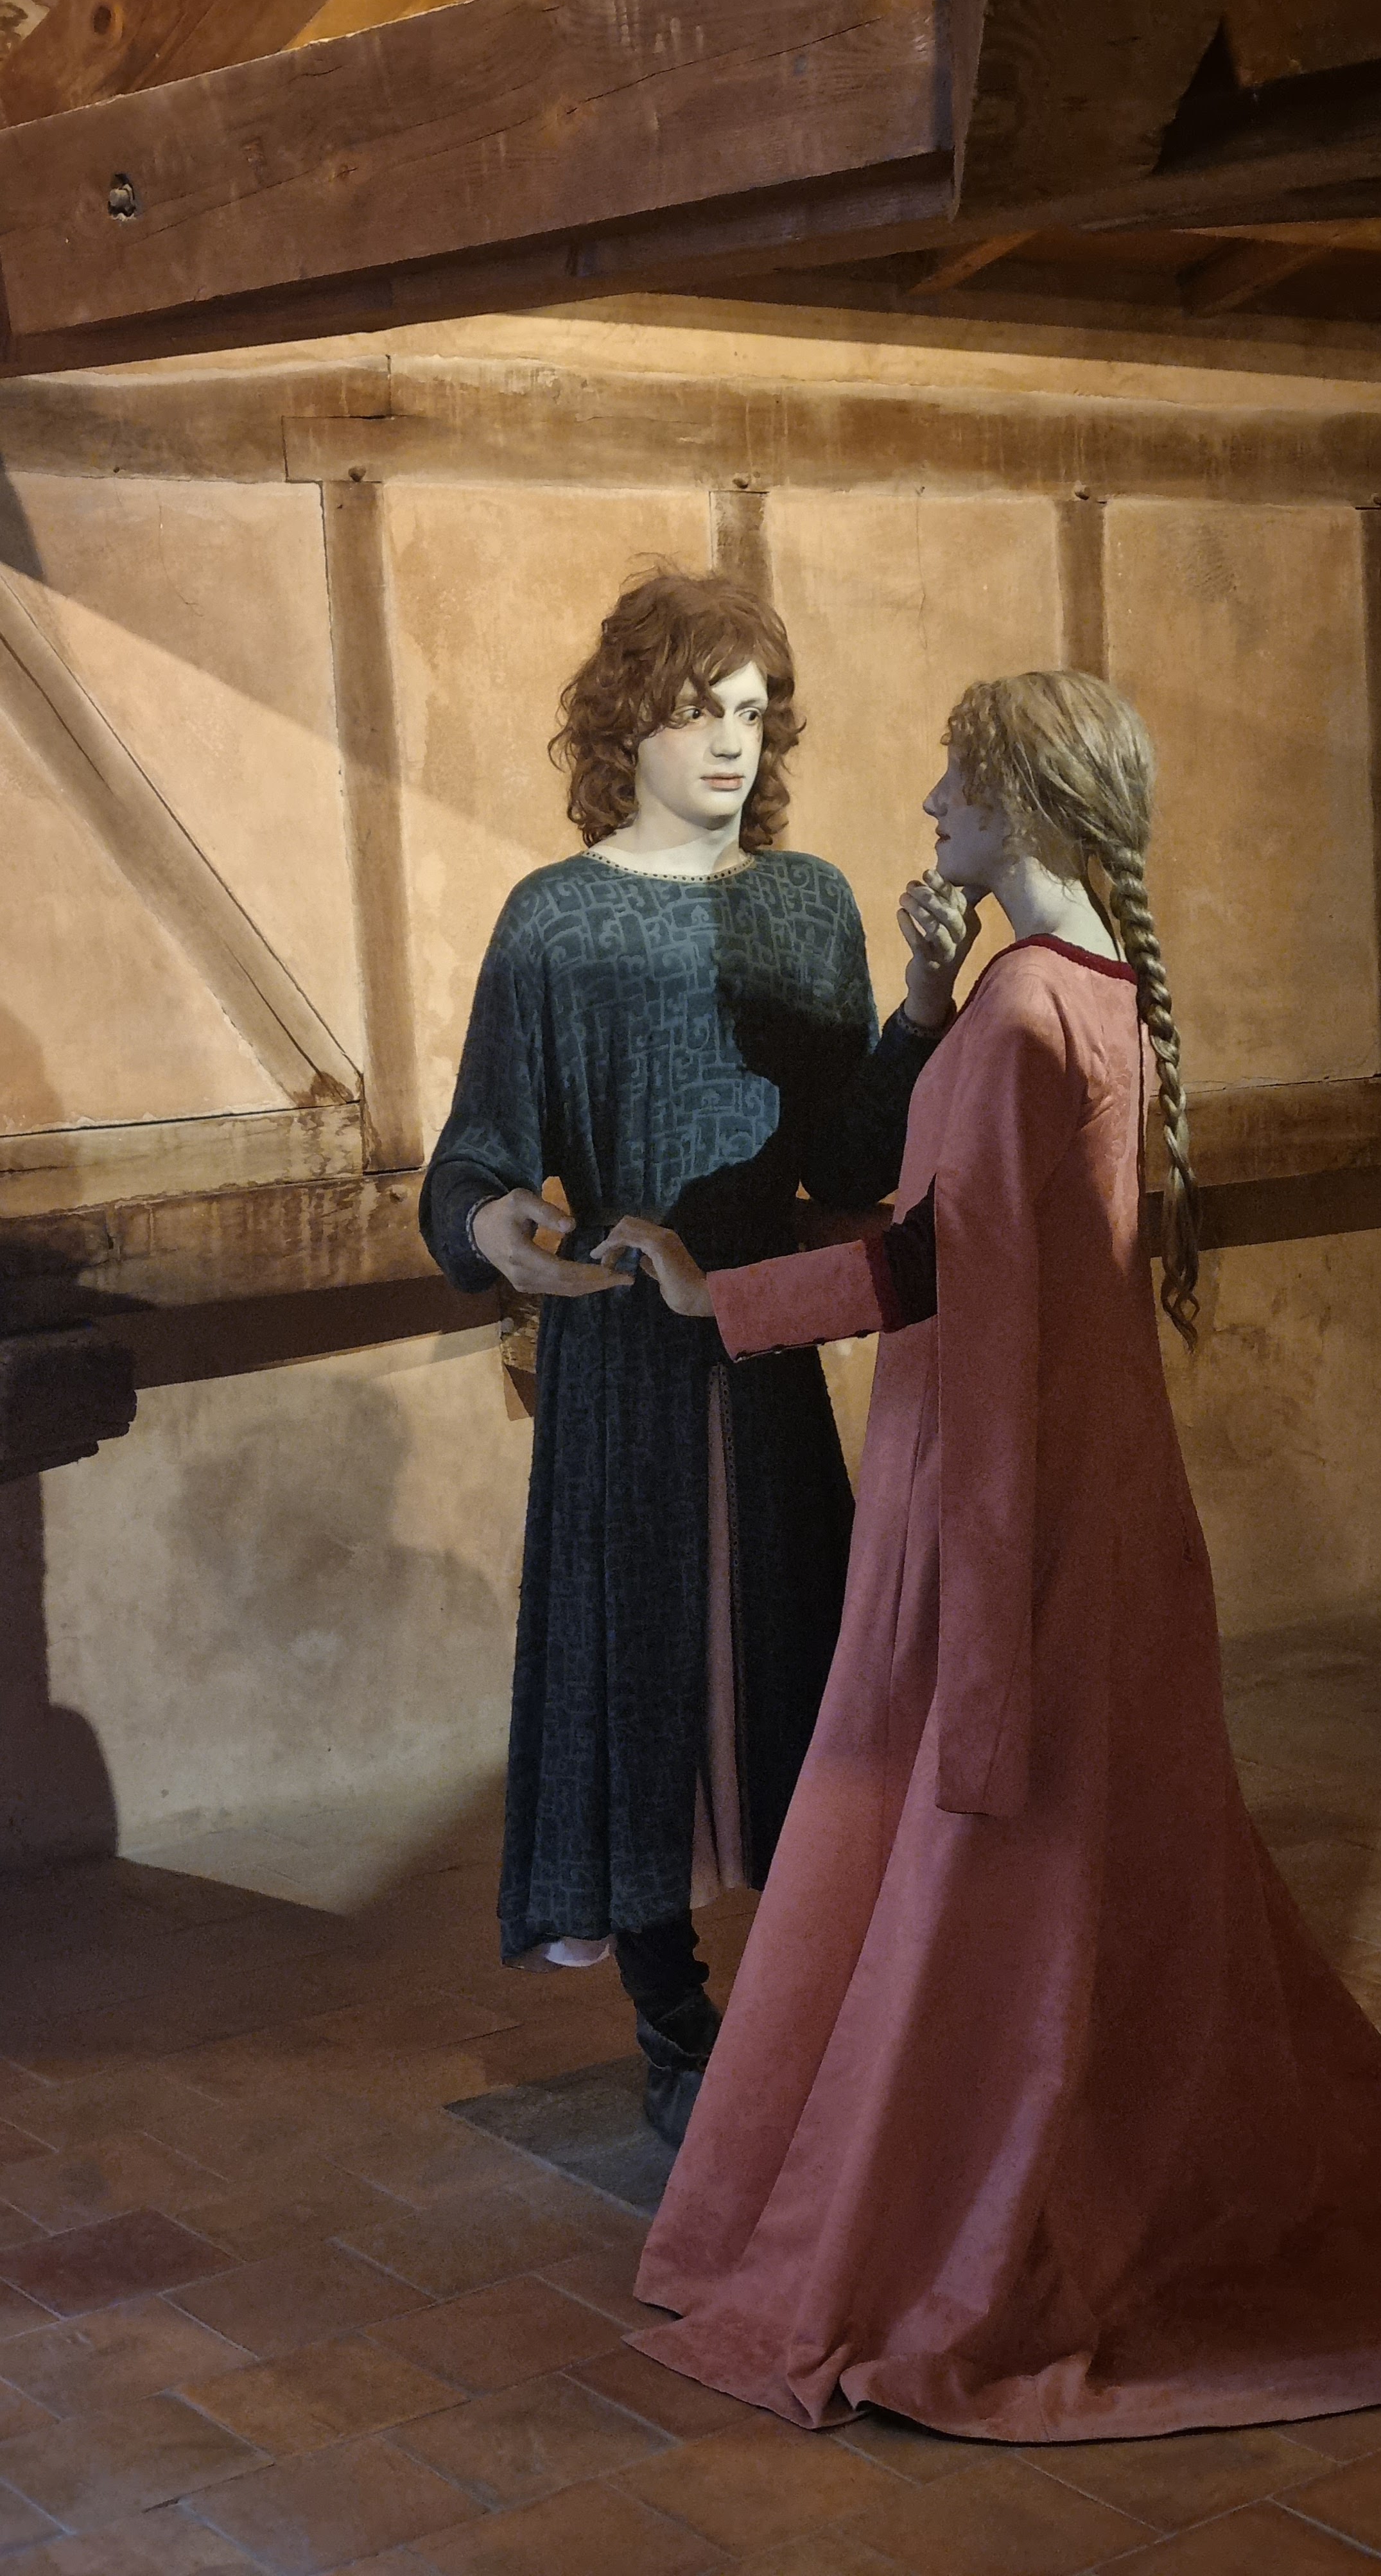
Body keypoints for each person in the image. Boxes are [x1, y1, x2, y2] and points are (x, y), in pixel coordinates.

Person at [600, 669, 1381, 2439]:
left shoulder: (1020, 1020)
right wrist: (923, 1008)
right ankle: (1078, 2175)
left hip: (1000, 1498)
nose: (930, 805)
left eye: (956, 779)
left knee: (983, 1857)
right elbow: (981, 1247)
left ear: (1029, 805)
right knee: (1093, 1863)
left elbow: (942, 1279)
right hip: (1095, 1491)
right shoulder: (1093, 986)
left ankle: (956, 2224)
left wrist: (713, 1299)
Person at [420, 565, 975, 2144]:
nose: (730, 742)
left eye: (750, 712)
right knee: (636, 1681)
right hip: (620, 1372)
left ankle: (819, 2013)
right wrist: (501, 1230)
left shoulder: (806, 906)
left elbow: (851, 1161)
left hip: (766, 1346)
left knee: (805, 1667)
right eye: (694, 711)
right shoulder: (557, 919)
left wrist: (922, 1009)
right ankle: (674, 2035)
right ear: (628, 726)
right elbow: (475, 1156)